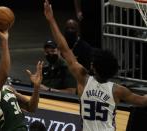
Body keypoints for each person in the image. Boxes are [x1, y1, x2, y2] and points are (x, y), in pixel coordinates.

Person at [44, 0, 147, 131]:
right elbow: (143, 101)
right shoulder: (118, 90)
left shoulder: (83, 79)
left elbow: (64, 49)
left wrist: (51, 20)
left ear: (95, 67)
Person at [0, 22, 43, 131]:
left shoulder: (8, 89)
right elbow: (4, 74)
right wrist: (4, 40)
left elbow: (31, 107)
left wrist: (36, 87)